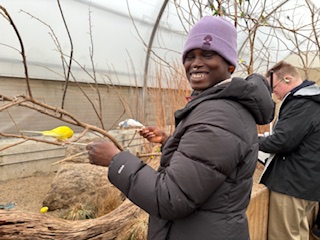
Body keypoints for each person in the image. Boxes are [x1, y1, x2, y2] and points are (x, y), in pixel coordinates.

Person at [86, 16, 274, 240]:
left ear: (230, 65)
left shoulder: (220, 117)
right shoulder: (216, 106)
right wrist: (169, 141)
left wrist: (116, 161)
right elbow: (205, 163)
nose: (195, 63)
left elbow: (170, 197)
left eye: (208, 54)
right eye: (189, 56)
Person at [258, 61, 320, 240]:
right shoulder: (312, 101)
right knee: (298, 233)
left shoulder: (303, 103)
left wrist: (251, 141)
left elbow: (282, 141)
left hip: (292, 185)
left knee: (283, 236)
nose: (273, 93)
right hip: (306, 183)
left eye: (274, 87)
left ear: (288, 79)